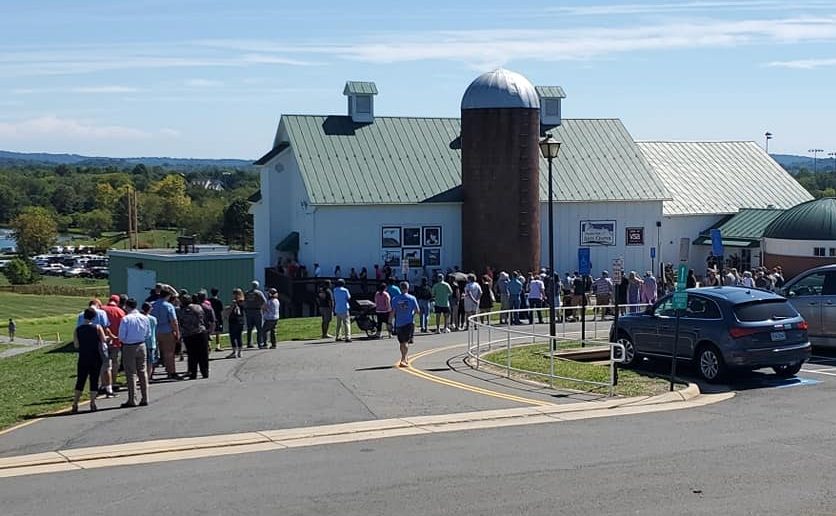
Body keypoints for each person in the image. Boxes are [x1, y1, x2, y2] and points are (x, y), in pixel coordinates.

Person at [72, 308, 107, 413]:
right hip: (95, 356)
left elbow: (76, 345)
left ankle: (75, 403)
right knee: (94, 379)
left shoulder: (77, 329)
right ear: (94, 317)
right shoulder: (97, 327)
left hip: (83, 357)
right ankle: (92, 403)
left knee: (81, 380)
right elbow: (103, 340)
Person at [118, 298, 150, 408]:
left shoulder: (126, 319)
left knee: (131, 373)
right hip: (141, 344)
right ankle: (145, 397)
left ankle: (132, 398)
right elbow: (148, 333)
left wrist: (126, 340)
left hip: (129, 346)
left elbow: (121, 336)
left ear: (127, 306)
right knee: (142, 371)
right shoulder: (144, 318)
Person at [151, 289, 182, 380]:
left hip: (155, 331)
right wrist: (177, 332)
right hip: (167, 331)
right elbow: (173, 321)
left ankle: (150, 373)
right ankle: (171, 372)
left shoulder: (153, 305)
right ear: (168, 296)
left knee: (154, 353)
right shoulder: (169, 306)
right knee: (169, 353)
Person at [179, 294, 209, 380]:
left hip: (188, 334)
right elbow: (203, 317)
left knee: (192, 355)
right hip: (200, 332)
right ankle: (205, 372)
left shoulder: (181, 311)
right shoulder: (198, 307)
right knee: (203, 354)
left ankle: (193, 373)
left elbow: (180, 321)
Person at [100, 295, 125, 395]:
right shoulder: (120, 311)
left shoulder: (102, 310)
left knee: (104, 364)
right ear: (117, 302)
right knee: (115, 364)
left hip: (103, 340)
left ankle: (104, 384)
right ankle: (113, 382)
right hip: (116, 341)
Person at [391, 281, 420, 367]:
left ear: (400, 288)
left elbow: (393, 311)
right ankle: (404, 358)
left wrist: (390, 321)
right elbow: (417, 310)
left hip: (399, 322)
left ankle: (403, 358)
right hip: (408, 322)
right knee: (405, 342)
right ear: (407, 288)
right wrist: (412, 313)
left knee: (402, 342)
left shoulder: (395, 299)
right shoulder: (412, 298)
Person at [244, 280, 267, 349]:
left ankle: (249, 343)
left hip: (249, 311)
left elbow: (244, 301)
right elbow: (264, 301)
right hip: (257, 311)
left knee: (249, 328)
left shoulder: (247, 293)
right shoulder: (259, 293)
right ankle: (259, 343)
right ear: (257, 286)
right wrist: (261, 306)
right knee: (259, 328)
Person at [226, 289, 246, 358]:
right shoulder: (243, 301)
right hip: (241, 320)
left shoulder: (235, 302)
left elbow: (231, 311)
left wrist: (230, 307)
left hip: (234, 320)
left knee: (233, 337)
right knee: (239, 336)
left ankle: (234, 352)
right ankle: (240, 352)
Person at [141, 302, 157, 381]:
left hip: (142, 342)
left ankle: (142, 376)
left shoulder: (140, 318)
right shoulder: (153, 319)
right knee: (150, 361)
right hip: (151, 342)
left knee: (142, 361)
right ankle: (148, 376)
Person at [333, 278, 351, 342]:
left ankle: (338, 336)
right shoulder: (345, 290)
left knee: (338, 324)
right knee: (346, 323)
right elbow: (348, 297)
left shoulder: (334, 290)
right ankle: (347, 337)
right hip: (344, 308)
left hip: (337, 308)